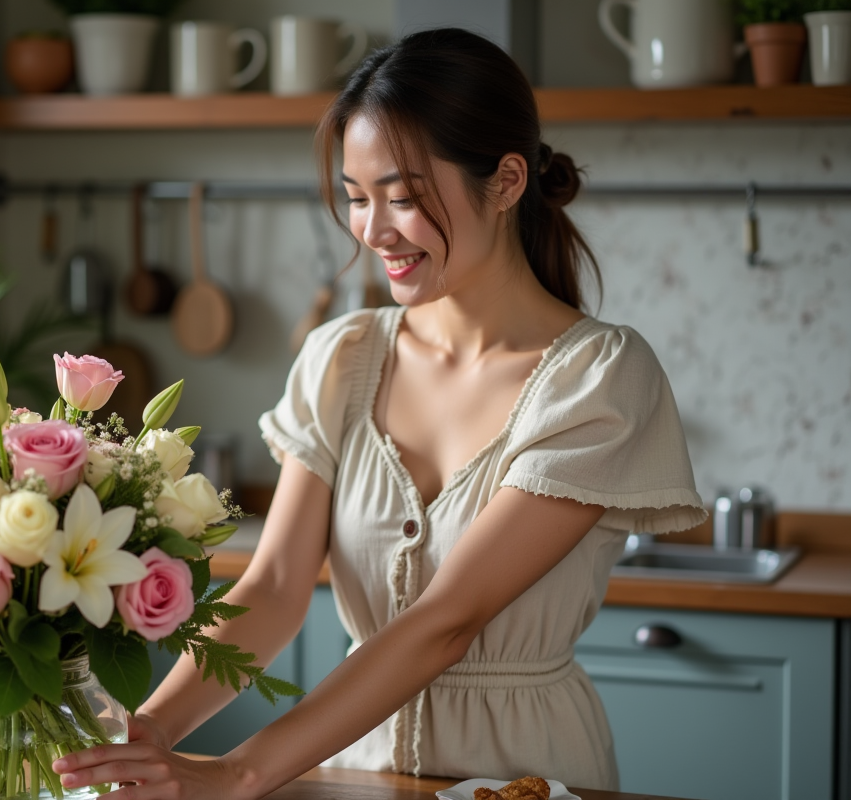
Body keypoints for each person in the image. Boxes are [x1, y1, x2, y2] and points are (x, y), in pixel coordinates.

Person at [52, 28, 706, 798]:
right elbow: (275, 585)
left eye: (402, 197)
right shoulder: (343, 357)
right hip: (359, 771)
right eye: (359, 199)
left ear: (505, 181)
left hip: (530, 772)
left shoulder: (598, 376)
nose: (372, 230)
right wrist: (147, 734)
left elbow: (447, 621)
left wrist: (235, 774)